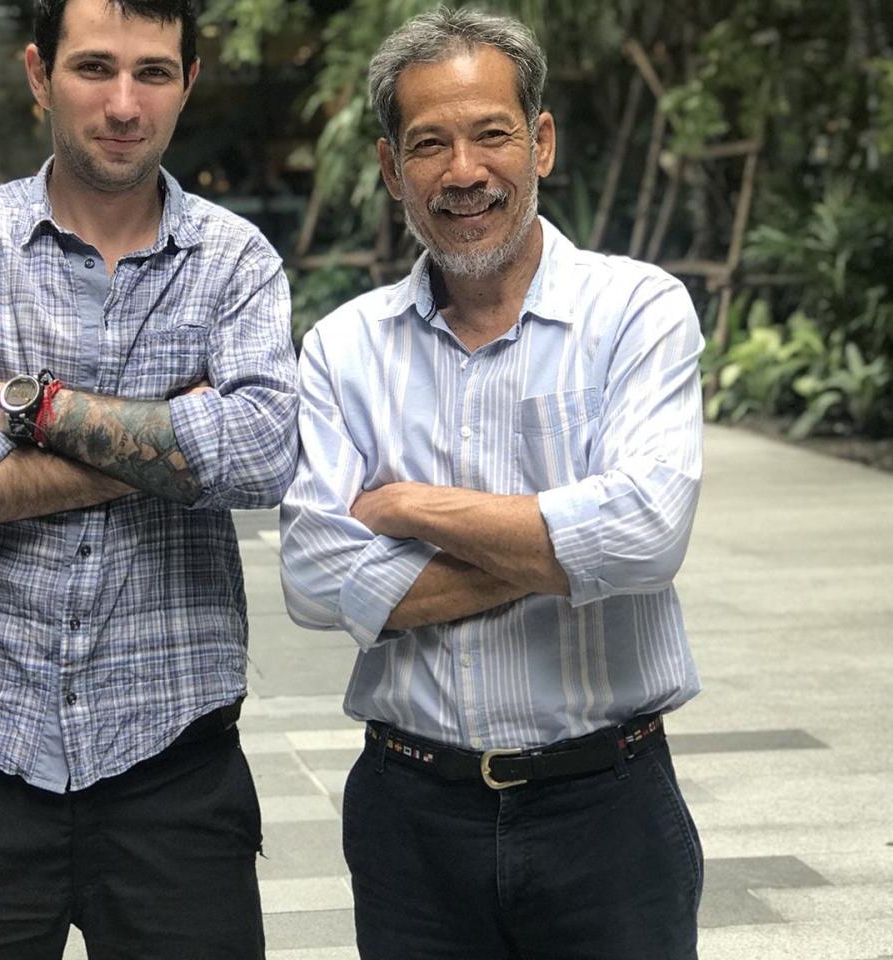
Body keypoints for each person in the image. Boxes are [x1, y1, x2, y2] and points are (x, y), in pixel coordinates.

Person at [0, 0, 298, 955]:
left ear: (187, 81)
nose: (123, 103)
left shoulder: (234, 262)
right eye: (94, 68)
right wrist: (172, 440)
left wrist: (29, 406)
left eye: (152, 72)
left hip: (175, 763)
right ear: (37, 74)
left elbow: (263, 451)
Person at [278, 8, 705, 959]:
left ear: (541, 143)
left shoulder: (636, 311)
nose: (464, 171)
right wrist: (565, 547)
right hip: (410, 820)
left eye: (492, 134)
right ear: (392, 169)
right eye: (428, 144)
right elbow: (311, 578)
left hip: (611, 813)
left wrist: (405, 510)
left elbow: (648, 534)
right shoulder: (343, 350)